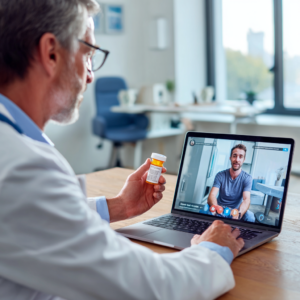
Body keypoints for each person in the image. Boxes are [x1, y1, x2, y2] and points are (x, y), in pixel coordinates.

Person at [0, 1, 244, 299]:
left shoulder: (13, 151)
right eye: (88, 53)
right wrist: (214, 248)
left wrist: (119, 206)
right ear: (51, 52)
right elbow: (149, 288)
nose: (90, 75)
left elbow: (34, 220)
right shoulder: (21, 169)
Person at [208, 144, 255, 222]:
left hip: (236, 211)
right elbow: (212, 195)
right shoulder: (220, 175)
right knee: (206, 210)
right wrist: (216, 207)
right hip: (220, 209)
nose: (237, 159)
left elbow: (246, 199)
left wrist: (239, 213)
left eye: (240, 156)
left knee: (250, 217)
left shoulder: (247, 178)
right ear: (230, 158)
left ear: (244, 159)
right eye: (234, 156)